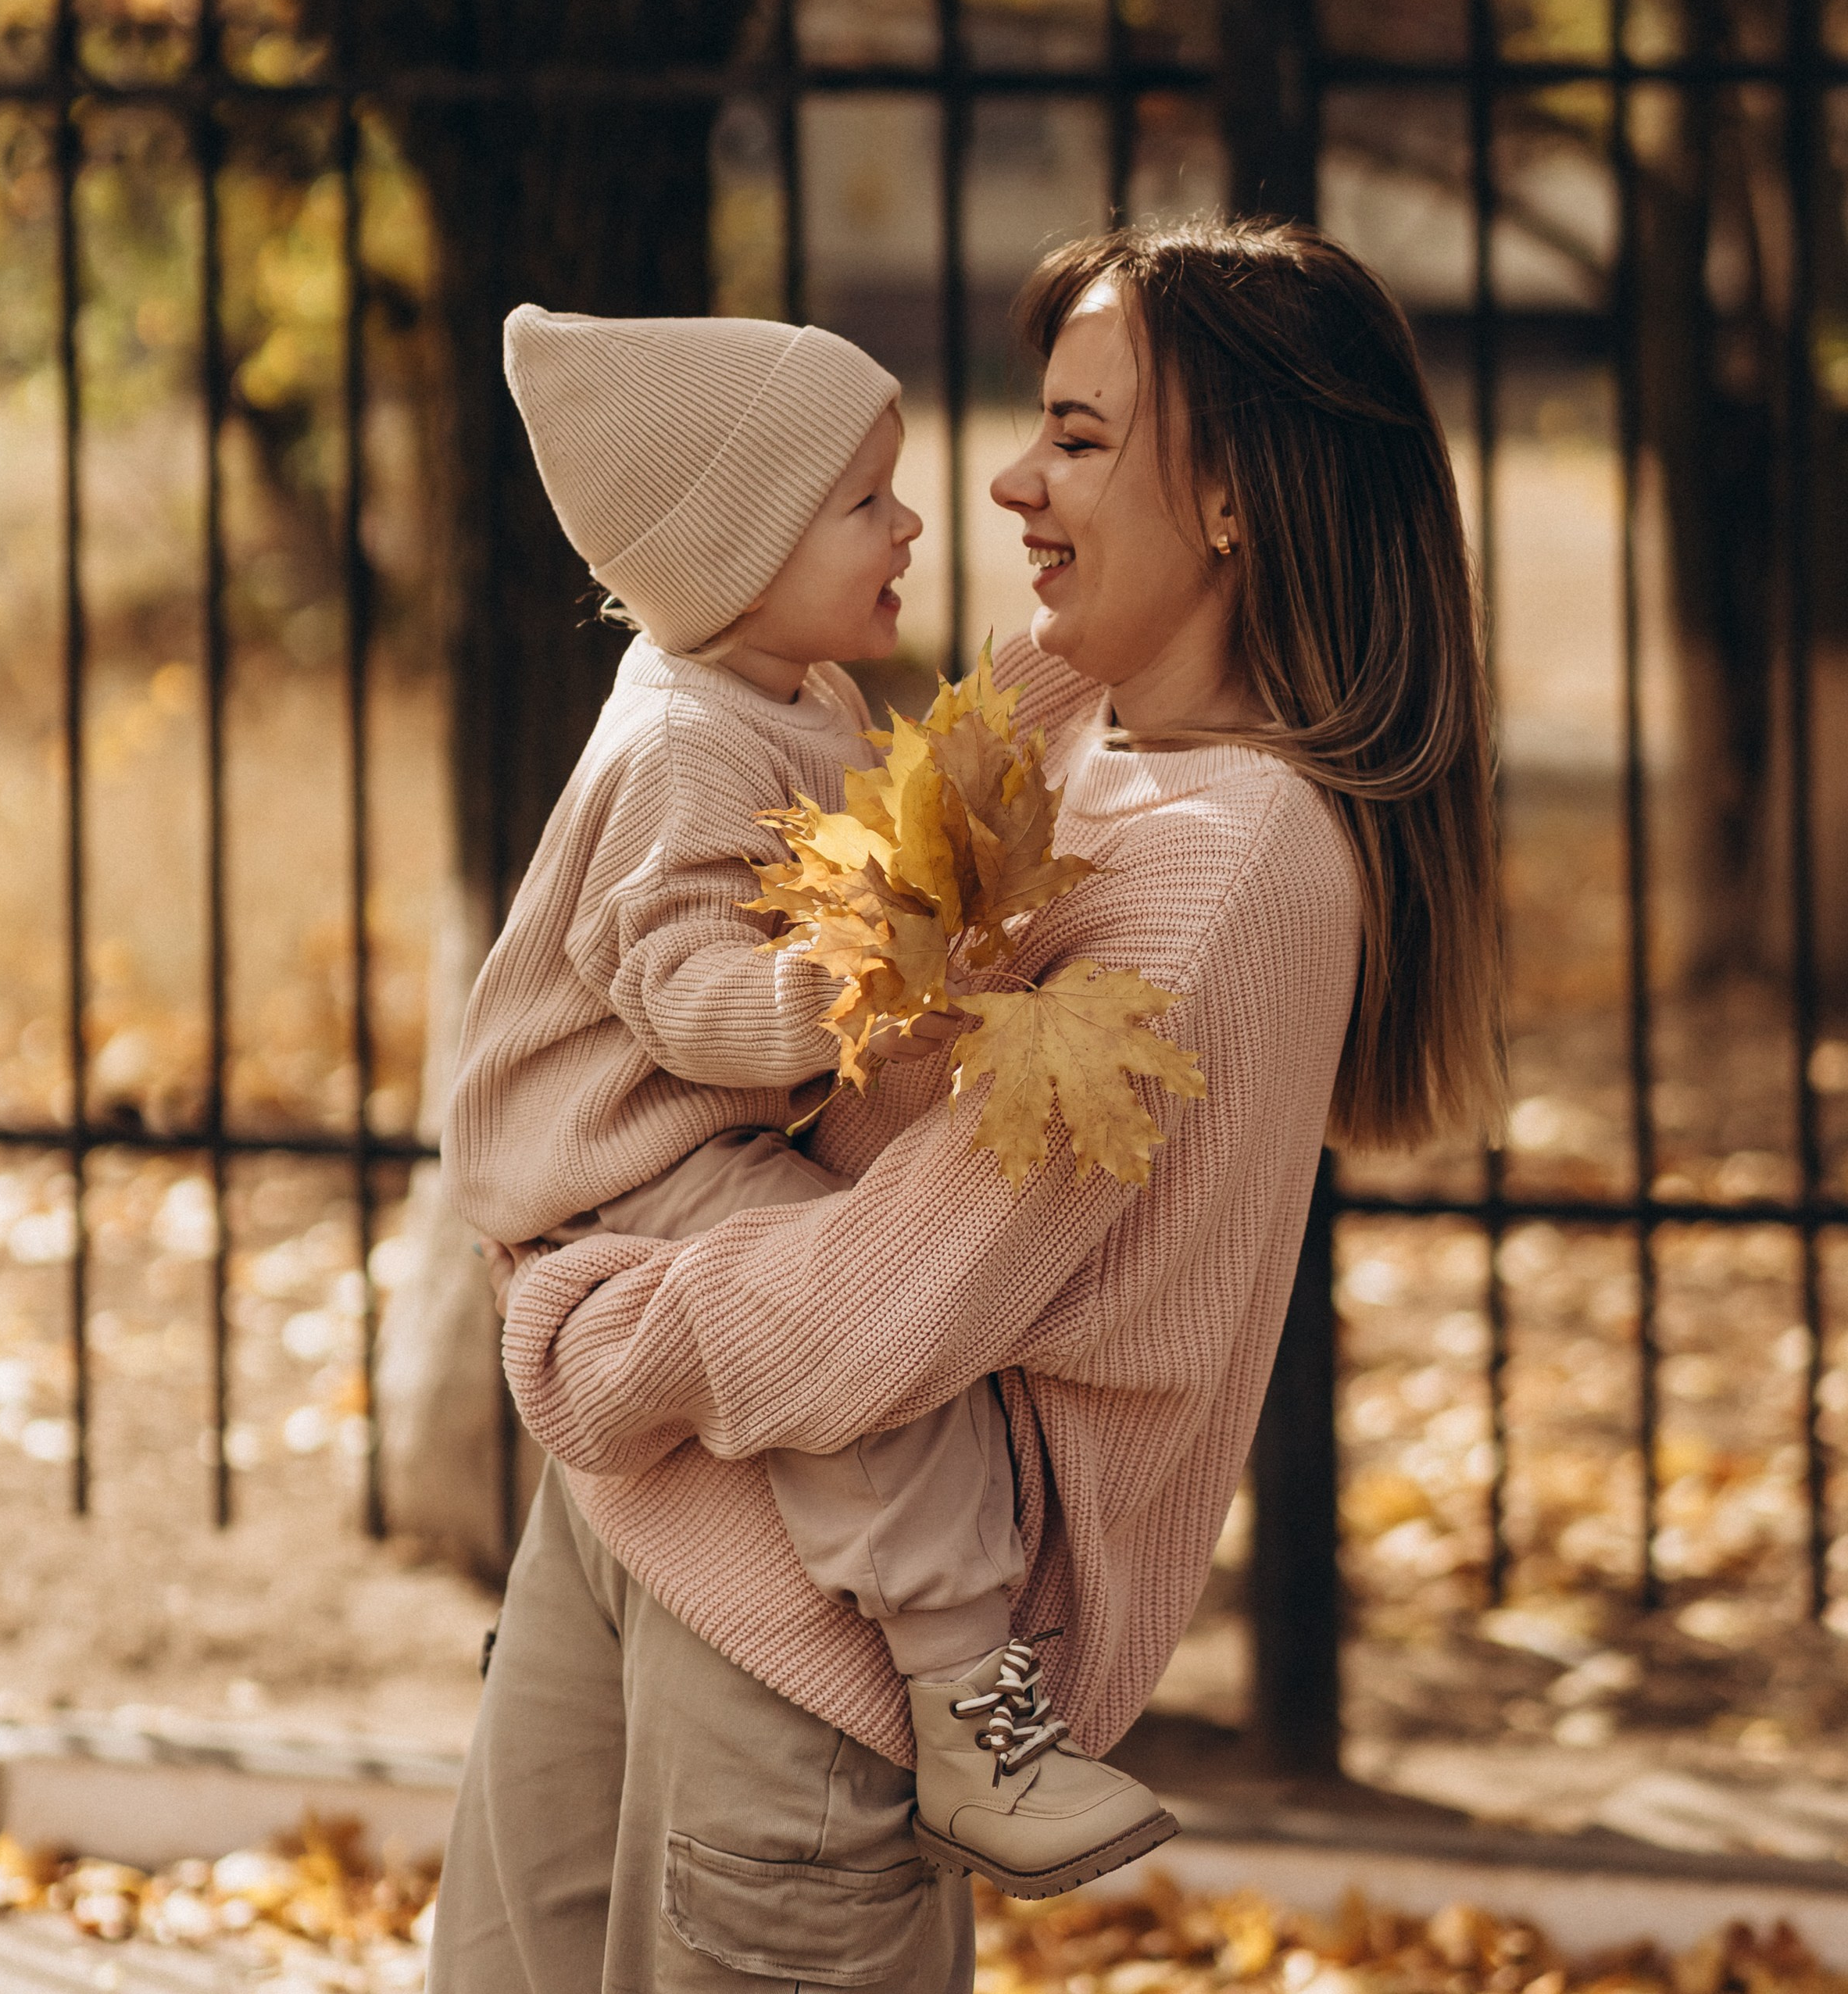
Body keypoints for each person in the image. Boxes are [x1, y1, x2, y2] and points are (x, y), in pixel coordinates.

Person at [430, 220, 1504, 1994]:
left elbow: (891, 1297)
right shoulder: (1080, 718)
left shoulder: (1221, 876)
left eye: (1078, 436)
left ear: (1234, 502)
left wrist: (578, 1335)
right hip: (653, 1517)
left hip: (817, 1636)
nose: (1007, 481)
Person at [443, 304, 1176, 1904]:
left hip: (686, 1134)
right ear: (736, 548)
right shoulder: (682, 747)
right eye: (864, 504)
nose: (915, 522)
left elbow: (887, 842)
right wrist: (874, 981)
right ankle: (974, 1722)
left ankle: (970, 1696)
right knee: (862, 1341)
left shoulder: (792, 694)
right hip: (622, 1157)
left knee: (861, 1315)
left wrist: (1056, 687)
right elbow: (692, 1002)